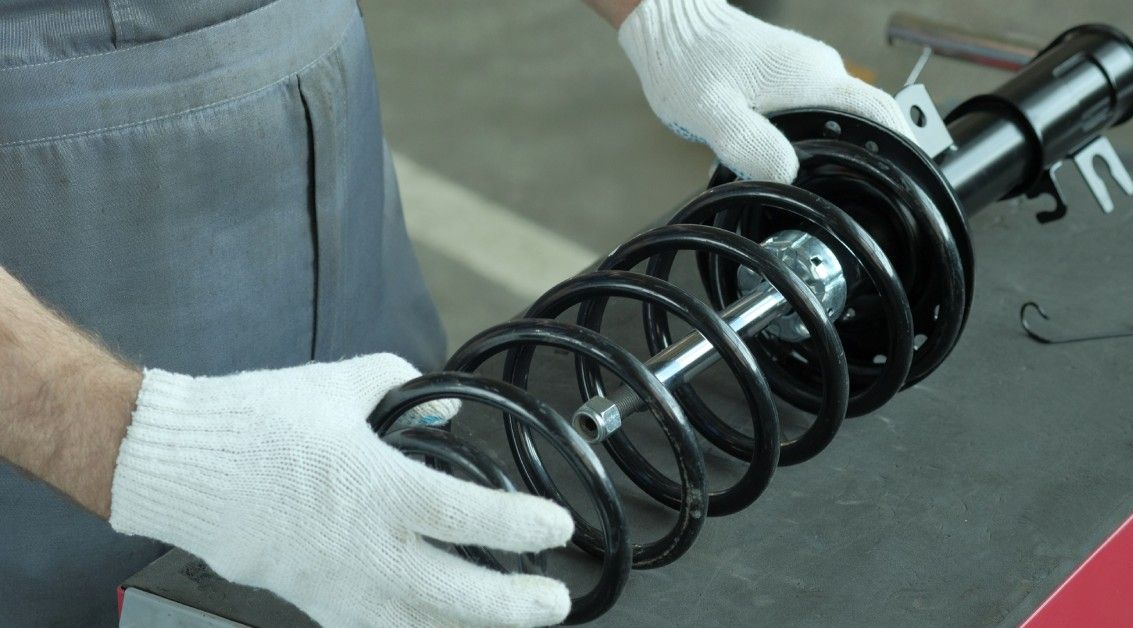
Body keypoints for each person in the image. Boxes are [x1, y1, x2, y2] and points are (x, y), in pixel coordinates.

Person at [0, 0, 912, 625]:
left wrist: (669, 17)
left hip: (319, 136)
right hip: (45, 291)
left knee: (435, 510)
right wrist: (141, 445)